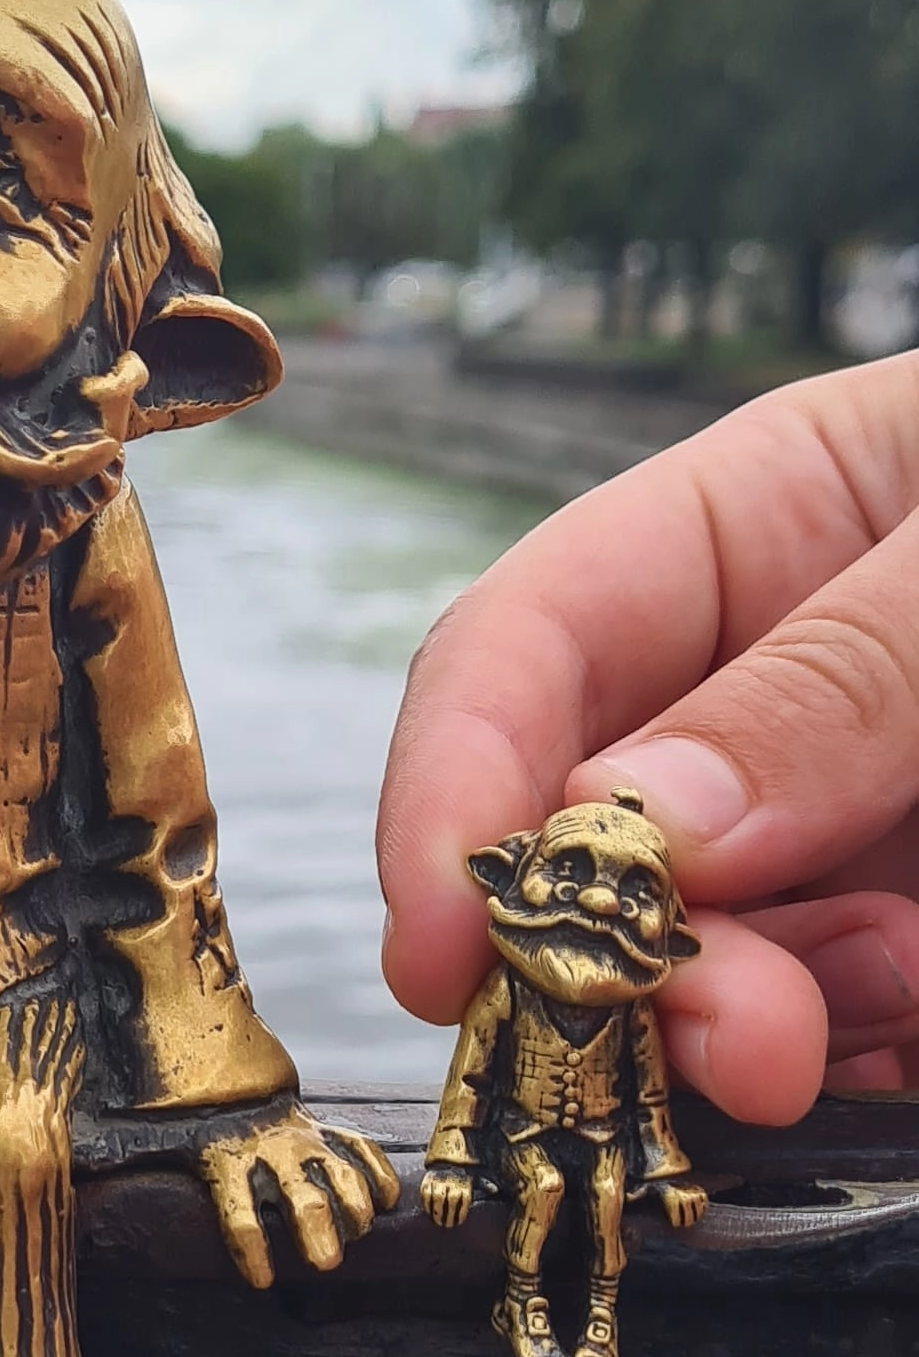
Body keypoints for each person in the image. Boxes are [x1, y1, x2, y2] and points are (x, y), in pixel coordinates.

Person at [375, 354, 919, 1109]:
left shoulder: (626, 1005)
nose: (600, 907)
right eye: (572, 876)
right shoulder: (510, 995)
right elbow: (471, 1086)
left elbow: (649, 1119)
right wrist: (463, 1154)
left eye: (630, 894)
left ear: (672, 935)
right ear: (505, 877)